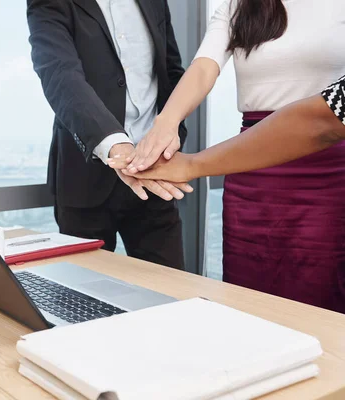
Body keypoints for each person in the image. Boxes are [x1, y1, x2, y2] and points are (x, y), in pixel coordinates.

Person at [110, 0, 345, 312]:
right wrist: (165, 124)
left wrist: (191, 164)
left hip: (329, 175)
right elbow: (204, 67)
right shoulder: (241, 4)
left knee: (323, 305)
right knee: (248, 302)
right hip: (250, 172)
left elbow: (323, 121)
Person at [26, 0, 191, 269]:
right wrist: (117, 147)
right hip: (85, 176)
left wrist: (172, 137)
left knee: (172, 296)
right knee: (85, 302)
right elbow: (59, 74)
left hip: (156, 172)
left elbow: (171, 70)